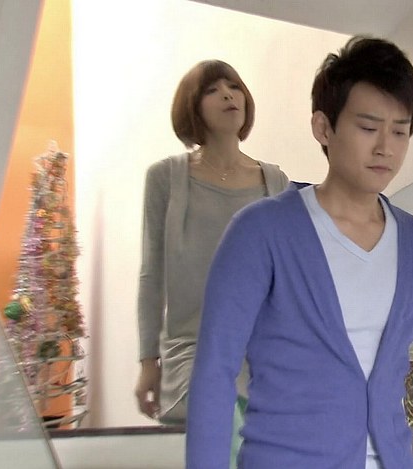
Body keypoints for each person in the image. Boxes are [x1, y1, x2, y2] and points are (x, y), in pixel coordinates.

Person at [186, 36, 413, 468]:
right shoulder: (261, 231)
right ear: (323, 127)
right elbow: (215, 372)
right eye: (368, 128)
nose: (386, 147)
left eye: (400, 131)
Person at [134, 59, 289, 427]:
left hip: (264, 353)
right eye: (212, 89)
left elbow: (289, 277)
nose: (227, 95)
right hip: (192, 350)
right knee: (217, 414)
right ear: (193, 106)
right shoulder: (165, 178)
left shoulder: (276, 182)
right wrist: (148, 362)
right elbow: (152, 275)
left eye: (233, 87)